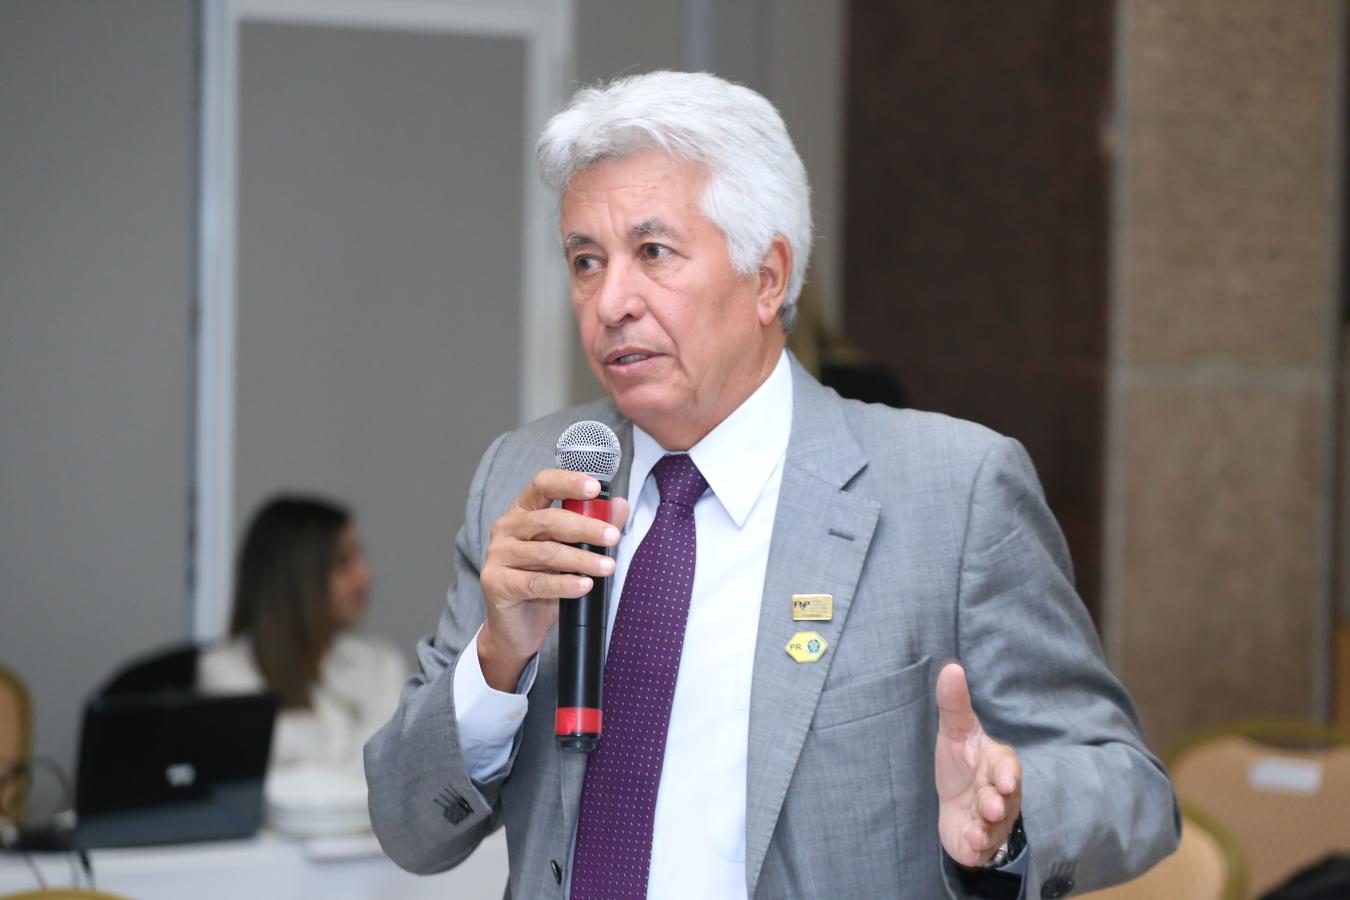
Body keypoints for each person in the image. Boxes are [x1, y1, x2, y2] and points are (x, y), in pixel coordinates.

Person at [365, 71, 1178, 899]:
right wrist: (497, 659)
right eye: (586, 261)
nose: (610, 302)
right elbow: (407, 826)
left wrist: (1012, 818)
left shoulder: (953, 492)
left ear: (767, 277)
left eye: (653, 253)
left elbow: (1131, 789)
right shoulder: (527, 479)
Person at [200, 495, 408, 774]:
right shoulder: (227, 671)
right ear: (294, 575)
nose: (365, 576)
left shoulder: (381, 662)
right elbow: (259, 780)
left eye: (360, 557)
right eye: (343, 562)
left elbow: (395, 769)